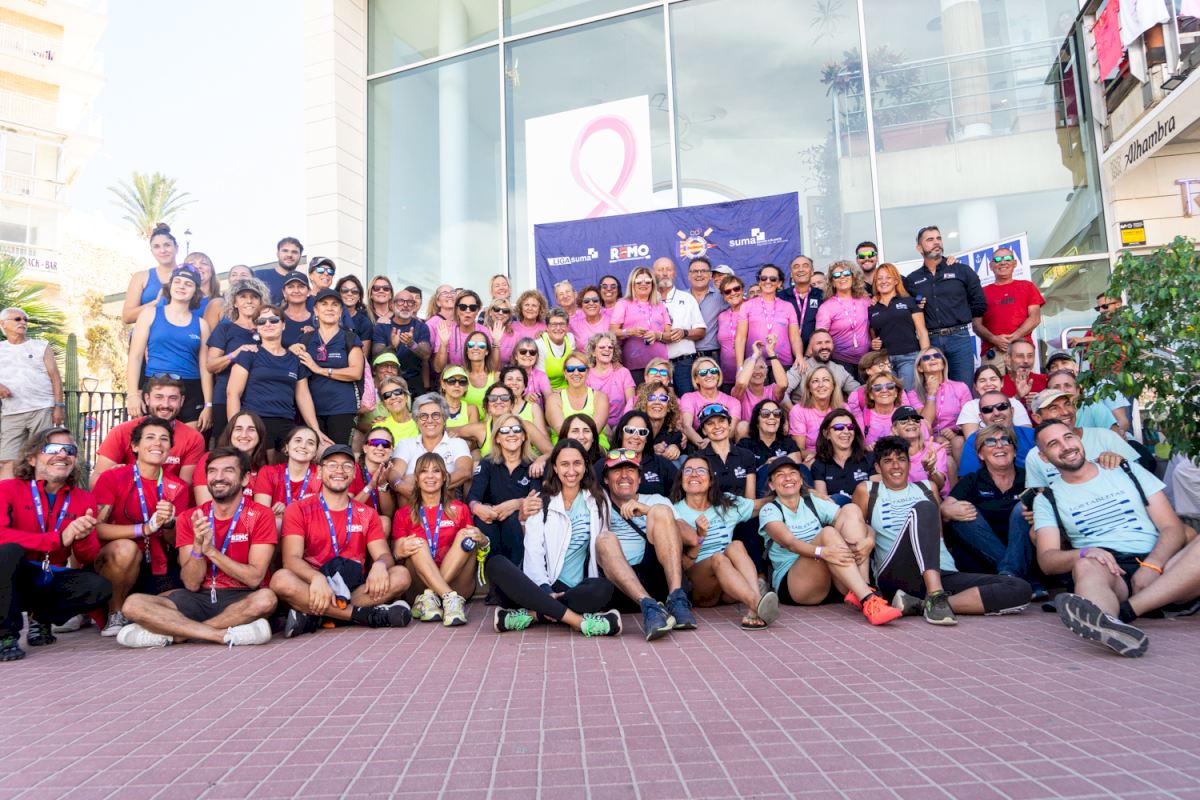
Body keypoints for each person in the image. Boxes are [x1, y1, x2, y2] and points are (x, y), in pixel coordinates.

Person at [1033, 420, 1200, 657]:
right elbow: (1047, 560)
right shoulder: (1047, 499)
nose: (1066, 446)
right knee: (1085, 565)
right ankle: (1107, 621)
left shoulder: (1127, 470)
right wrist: (1084, 552)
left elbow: (1171, 526)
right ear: (1044, 457)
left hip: (1164, 566)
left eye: (1068, 437)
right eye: (1053, 444)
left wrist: (1153, 565)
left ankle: (1124, 614)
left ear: (1078, 439)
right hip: (1110, 570)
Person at [852, 436, 1031, 625]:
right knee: (924, 508)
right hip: (897, 574)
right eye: (888, 461)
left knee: (1018, 587)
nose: (896, 466)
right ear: (878, 468)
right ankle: (936, 595)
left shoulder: (927, 488)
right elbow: (858, 529)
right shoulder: (868, 491)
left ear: (909, 464)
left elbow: (938, 536)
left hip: (942, 572)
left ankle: (923, 604)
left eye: (901, 459)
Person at [116, 447, 277, 648]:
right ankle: (218, 635)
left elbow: (254, 578)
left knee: (266, 599)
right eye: (212, 471)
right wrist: (198, 548)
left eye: (228, 470)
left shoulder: (261, 515)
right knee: (133, 604)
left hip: (240, 596)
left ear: (245, 479)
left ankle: (178, 635)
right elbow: (191, 583)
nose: (219, 477)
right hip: (198, 596)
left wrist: (211, 551)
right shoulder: (190, 517)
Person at [269, 445, 413, 636]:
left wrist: (380, 564)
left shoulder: (367, 513)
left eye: (346, 466)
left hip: (354, 587)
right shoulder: (298, 509)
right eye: (332, 465)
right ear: (319, 472)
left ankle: (317, 617)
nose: (339, 470)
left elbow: (384, 555)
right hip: (314, 584)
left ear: (353, 474)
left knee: (401, 575)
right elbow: (291, 559)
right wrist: (316, 578)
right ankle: (364, 615)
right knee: (280, 580)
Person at [488, 440, 623, 637]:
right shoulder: (541, 500)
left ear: (586, 466)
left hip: (576, 590)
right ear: (555, 468)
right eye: (564, 464)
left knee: (604, 588)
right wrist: (545, 590)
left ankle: (533, 615)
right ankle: (579, 622)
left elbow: (600, 550)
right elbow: (533, 551)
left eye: (577, 463)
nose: (571, 470)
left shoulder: (598, 500)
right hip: (538, 586)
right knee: (496, 564)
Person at [0, 428, 110, 661]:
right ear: (32, 458)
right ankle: (5, 635)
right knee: (9, 552)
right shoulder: (7, 489)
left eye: (69, 450)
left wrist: (83, 536)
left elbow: (88, 556)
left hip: (48, 575)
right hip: (12, 575)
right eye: (52, 449)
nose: (62, 454)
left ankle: (41, 619)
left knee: (97, 587)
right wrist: (58, 539)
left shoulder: (83, 498)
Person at [759, 457, 901, 625]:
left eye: (793, 473)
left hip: (832, 576)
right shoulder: (769, 510)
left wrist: (870, 540)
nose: (788, 478)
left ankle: (864, 588)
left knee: (851, 509)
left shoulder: (812, 502)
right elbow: (791, 543)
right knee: (828, 533)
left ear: (801, 479)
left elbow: (858, 523)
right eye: (780, 475)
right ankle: (868, 598)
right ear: (772, 485)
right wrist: (822, 552)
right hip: (796, 585)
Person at [92, 418, 191, 637]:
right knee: (126, 549)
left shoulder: (178, 487)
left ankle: (137, 616)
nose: (158, 443)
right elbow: (96, 529)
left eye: (164, 439)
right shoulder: (112, 477)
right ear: (135, 446)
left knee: (182, 605)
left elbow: (176, 541)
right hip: (114, 562)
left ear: (170, 448)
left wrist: (170, 523)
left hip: (157, 564)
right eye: (150, 437)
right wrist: (143, 529)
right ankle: (115, 612)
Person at [596, 449, 695, 640]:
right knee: (604, 539)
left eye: (630, 470)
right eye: (617, 470)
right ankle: (650, 607)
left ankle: (676, 599)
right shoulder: (597, 504)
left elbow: (691, 538)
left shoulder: (656, 500)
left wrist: (648, 510)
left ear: (639, 479)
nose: (624, 475)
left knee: (661, 511)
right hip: (620, 584)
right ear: (606, 479)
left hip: (657, 578)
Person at [672, 454, 777, 630]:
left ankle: (755, 605)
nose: (694, 474)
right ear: (681, 479)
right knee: (718, 558)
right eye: (688, 470)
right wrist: (699, 536)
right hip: (701, 588)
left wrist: (801, 492)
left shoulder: (725, 503)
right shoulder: (675, 512)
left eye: (701, 470)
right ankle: (758, 603)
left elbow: (761, 504)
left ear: (711, 480)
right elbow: (681, 565)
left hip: (730, 589)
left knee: (736, 545)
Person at [393, 453, 485, 626]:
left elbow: (474, 543)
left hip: (458, 583)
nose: (430, 476)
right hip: (419, 586)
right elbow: (397, 552)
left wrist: (483, 539)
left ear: (444, 477)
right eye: (424, 471)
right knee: (417, 543)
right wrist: (401, 549)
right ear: (416, 478)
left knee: (466, 535)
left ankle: (434, 597)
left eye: (436, 471)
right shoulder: (403, 514)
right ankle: (448, 598)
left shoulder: (460, 509)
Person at [225, 303, 328, 455]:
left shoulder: (295, 359)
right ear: (257, 327)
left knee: (318, 452)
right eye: (262, 321)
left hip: (286, 422)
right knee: (265, 462)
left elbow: (303, 396)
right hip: (256, 422)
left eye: (274, 320)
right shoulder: (249, 354)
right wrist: (235, 429)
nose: (268, 324)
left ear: (283, 325)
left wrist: (315, 429)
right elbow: (233, 393)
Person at [942, 425, 1036, 588]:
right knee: (963, 512)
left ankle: (1010, 574)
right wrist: (948, 510)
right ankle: (1014, 574)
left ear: (1014, 451)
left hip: (1025, 550)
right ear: (981, 454)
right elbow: (945, 507)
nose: (999, 446)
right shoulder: (973, 480)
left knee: (1021, 509)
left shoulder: (1029, 477)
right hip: (983, 557)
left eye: (1005, 441)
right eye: (990, 442)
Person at [125, 265, 213, 430]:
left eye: (188, 284)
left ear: (195, 291)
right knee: (153, 438)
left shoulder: (202, 325)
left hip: (191, 388)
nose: (182, 286)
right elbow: (135, 356)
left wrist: (209, 405)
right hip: (156, 384)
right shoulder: (149, 314)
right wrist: (132, 394)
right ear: (170, 286)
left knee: (189, 441)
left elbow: (205, 367)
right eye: (177, 281)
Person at [903, 226, 987, 386]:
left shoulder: (962, 270)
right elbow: (898, 298)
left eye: (938, 238)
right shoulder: (912, 279)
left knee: (964, 389)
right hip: (930, 341)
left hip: (959, 339)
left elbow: (979, 303)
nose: (936, 242)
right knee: (933, 389)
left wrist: (960, 315)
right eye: (930, 239)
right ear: (919, 248)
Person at [92, 377, 206, 486]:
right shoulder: (121, 431)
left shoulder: (193, 438)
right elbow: (95, 481)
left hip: (169, 498)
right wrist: (111, 479)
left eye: (173, 398)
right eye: (159, 397)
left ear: (182, 401)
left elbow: (184, 487)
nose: (165, 404)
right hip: (126, 495)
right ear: (147, 399)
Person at [467, 413, 542, 568]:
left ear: (523, 436)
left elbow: (535, 499)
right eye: (505, 430)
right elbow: (473, 496)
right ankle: (493, 576)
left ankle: (516, 573)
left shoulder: (533, 464)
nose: (511, 434)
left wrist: (516, 503)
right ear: (497, 438)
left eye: (516, 429)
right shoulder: (487, 463)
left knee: (513, 520)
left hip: (519, 523)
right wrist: (477, 507)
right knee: (483, 521)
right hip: (491, 519)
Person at [291, 288, 365, 446]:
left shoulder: (350, 338)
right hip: (311, 409)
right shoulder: (305, 339)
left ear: (340, 311)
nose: (329, 308)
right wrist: (291, 350)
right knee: (314, 454)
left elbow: (356, 372)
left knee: (339, 453)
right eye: (324, 304)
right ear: (316, 310)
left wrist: (319, 369)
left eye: (334, 304)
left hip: (342, 409)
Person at [1026, 390, 1141, 488]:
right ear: (1038, 418)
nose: (1065, 412)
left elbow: (1139, 476)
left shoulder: (1105, 436)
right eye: (1053, 408)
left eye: (1067, 404)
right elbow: (1041, 495)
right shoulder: (1035, 456)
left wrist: (1120, 461)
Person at [0, 306, 65, 479]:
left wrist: (59, 406)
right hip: (11, 412)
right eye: (17, 319)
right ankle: (7, 496)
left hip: (41, 409)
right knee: (7, 461)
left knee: (43, 457)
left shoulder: (41, 346)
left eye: (25, 319)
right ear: (3, 324)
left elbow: (55, 378)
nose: (23, 322)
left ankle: (40, 494)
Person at [206, 278, 268, 443]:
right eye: (243, 297)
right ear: (234, 303)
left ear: (261, 302)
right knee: (226, 446)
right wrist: (236, 353)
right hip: (224, 398)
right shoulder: (225, 328)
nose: (249, 301)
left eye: (254, 297)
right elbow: (211, 365)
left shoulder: (268, 328)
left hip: (258, 399)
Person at [390, 393, 474, 501]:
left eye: (435, 415)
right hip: (412, 498)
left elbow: (464, 471)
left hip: (446, 497)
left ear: (444, 419)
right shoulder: (405, 444)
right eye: (423, 416)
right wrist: (399, 484)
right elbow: (395, 473)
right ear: (417, 421)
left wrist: (430, 487)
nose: (430, 420)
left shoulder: (457, 443)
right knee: (407, 480)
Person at [976, 247, 1044, 371]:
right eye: (997, 260)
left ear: (1014, 263)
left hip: (1022, 350)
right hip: (993, 352)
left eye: (1007, 258)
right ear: (991, 266)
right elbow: (976, 325)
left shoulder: (1027, 286)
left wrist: (1014, 337)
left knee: (1024, 383)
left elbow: (1035, 318)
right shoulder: (981, 293)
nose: (1003, 262)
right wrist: (994, 339)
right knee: (991, 384)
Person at [867, 262, 929, 392]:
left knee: (908, 395)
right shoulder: (871, 309)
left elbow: (922, 331)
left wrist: (925, 358)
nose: (883, 281)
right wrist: (874, 343)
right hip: (884, 362)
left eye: (888, 277)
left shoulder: (909, 301)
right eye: (879, 278)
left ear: (896, 281)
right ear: (875, 283)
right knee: (891, 397)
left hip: (909, 357)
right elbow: (874, 337)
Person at [651, 257, 705, 396]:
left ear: (674, 273)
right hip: (656, 366)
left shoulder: (687, 298)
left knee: (687, 402)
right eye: (660, 270)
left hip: (683, 364)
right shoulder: (647, 301)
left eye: (668, 269)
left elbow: (701, 331)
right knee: (657, 402)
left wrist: (684, 333)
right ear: (653, 273)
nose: (664, 273)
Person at [193, 411, 270, 505]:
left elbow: (263, 508)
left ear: (260, 435)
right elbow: (205, 506)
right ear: (230, 433)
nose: (244, 435)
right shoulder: (212, 459)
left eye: (251, 429)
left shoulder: (263, 468)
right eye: (238, 429)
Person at [253, 425, 321, 530]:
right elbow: (261, 515)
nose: (303, 446)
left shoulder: (321, 474)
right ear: (287, 447)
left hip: (312, 529)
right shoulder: (268, 472)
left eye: (310, 443)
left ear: (315, 452)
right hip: (277, 530)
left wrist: (289, 512)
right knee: (277, 522)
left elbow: (324, 515)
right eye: (298, 440)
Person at [611, 266, 671, 384]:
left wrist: (657, 335)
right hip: (634, 364)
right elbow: (612, 332)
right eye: (639, 281)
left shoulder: (660, 305)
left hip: (660, 365)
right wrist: (630, 332)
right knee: (639, 395)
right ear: (632, 284)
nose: (643, 284)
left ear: (652, 284)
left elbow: (669, 336)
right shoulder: (623, 304)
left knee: (661, 394)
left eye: (647, 281)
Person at [736, 263, 801, 371]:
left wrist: (799, 356)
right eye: (764, 278)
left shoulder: (788, 306)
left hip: (783, 363)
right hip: (754, 363)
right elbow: (740, 338)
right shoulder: (747, 306)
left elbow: (795, 337)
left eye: (773, 279)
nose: (768, 281)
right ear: (759, 282)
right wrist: (739, 368)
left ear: (779, 283)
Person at [957, 391, 1036, 477]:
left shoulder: (1033, 435)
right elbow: (968, 479)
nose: (996, 413)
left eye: (1002, 407)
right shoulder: (974, 440)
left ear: (1012, 411)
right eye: (987, 410)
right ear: (981, 417)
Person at [372, 285, 431, 396]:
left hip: (413, 382)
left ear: (414, 306)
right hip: (387, 381)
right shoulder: (382, 326)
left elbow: (426, 355)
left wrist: (411, 344)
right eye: (401, 302)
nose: (405, 305)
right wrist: (392, 347)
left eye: (410, 302)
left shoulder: (421, 327)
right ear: (392, 305)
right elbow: (376, 356)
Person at [603, 410, 678, 497]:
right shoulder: (604, 464)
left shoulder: (661, 465)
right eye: (630, 430)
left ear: (647, 438)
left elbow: (679, 494)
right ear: (621, 434)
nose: (636, 436)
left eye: (642, 432)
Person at [914, 346, 970, 460]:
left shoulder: (960, 387)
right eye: (926, 358)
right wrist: (931, 394)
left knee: (958, 442)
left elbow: (969, 419)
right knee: (947, 460)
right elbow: (925, 424)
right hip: (929, 441)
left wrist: (954, 433)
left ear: (943, 363)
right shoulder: (914, 394)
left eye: (937, 356)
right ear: (920, 368)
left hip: (956, 437)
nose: (932, 359)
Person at [121, 223, 185, 323]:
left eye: (167, 245)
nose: (162, 250)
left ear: (177, 248)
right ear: (152, 251)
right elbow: (127, 317)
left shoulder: (189, 277)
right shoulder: (140, 277)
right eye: (156, 247)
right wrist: (156, 303)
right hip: (146, 332)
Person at [815, 261, 871, 373]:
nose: (842, 277)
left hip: (866, 360)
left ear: (853, 277)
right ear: (832, 282)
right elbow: (820, 337)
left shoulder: (866, 300)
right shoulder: (826, 307)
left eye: (846, 273)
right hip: (840, 361)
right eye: (836, 275)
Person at [811, 410, 874, 506]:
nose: (846, 431)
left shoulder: (869, 458)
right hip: (836, 512)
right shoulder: (819, 464)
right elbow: (824, 503)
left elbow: (876, 496)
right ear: (826, 434)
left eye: (850, 427)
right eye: (839, 427)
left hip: (866, 511)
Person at [546, 353, 610, 447]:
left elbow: (595, 429)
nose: (576, 373)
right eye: (570, 369)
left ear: (587, 372)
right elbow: (561, 430)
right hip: (564, 447)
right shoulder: (554, 399)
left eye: (581, 369)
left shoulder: (600, 397)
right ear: (565, 373)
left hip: (594, 447)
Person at [784, 329, 861, 403]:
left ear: (833, 345)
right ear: (811, 348)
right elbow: (782, 391)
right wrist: (792, 410)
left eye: (827, 342)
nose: (824, 346)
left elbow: (858, 392)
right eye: (819, 343)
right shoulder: (801, 366)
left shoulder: (839, 369)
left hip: (833, 411)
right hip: (802, 409)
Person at [680, 357, 741, 450]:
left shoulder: (733, 401)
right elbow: (686, 426)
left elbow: (731, 430)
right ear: (696, 379)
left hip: (725, 446)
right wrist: (705, 446)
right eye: (703, 372)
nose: (709, 375)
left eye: (713, 371)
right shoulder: (688, 398)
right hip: (700, 446)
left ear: (718, 375)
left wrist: (713, 443)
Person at [788, 366, 845, 465]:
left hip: (841, 458)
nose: (821, 385)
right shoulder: (798, 411)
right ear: (809, 388)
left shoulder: (843, 408)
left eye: (826, 380)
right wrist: (820, 455)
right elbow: (799, 451)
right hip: (814, 459)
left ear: (833, 386)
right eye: (815, 381)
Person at [958, 365, 1034, 436]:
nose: (988, 384)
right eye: (982, 381)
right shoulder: (970, 406)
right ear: (975, 386)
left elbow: (1026, 435)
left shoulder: (1015, 403)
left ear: (1002, 383)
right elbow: (972, 439)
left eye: (993, 379)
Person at [583, 332, 635, 436]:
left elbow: (631, 402)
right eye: (602, 347)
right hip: (596, 423)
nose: (607, 349)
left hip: (621, 424)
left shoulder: (623, 372)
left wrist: (622, 425)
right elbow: (586, 407)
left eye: (610, 347)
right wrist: (602, 425)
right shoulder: (586, 375)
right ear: (593, 352)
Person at [890, 405, 950, 495]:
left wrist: (931, 470)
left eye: (916, 420)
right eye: (904, 421)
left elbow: (940, 486)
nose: (911, 423)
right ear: (894, 429)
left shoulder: (934, 449)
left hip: (933, 498)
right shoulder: (890, 454)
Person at [350, 426, 397, 534]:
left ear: (392, 451)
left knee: (385, 521)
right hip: (351, 523)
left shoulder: (390, 473)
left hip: (375, 526)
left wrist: (382, 484)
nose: (380, 447)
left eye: (386, 444)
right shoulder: (352, 470)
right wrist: (370, 486)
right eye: (375, 443)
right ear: (365, 448)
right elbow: (347, 509)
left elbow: (388, 514)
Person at [732, 338, 787, 429]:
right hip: (749, 434)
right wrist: (755, 355)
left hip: (770, 431)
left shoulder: (772, 390)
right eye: (753, 367)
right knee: (743, 427)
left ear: (766, 373)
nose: (757, 371)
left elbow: (783, 384)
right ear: (746, 372)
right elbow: (741, 383)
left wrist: (771, 352)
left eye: (761, 367)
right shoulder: (741, 393)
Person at [432, 290, 491, 373]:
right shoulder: (446, 330)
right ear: (457, 310)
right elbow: (438, 368)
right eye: (463, 307)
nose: (467, 311)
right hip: (454, 379)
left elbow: (491, 366)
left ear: (477, 310)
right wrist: (444, 345)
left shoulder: (485, 332)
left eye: (472, 308)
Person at [738, 399, 802, 476]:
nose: (772, 417)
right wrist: (764, 468)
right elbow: (739, 475)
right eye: (765, 413)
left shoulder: (788, 442)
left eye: (776, 413)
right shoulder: (745, 445)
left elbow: (797, 472)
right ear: (757, 421)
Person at [781, 255, 823, 353]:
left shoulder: (823, 296)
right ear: (791, 274)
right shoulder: (780, 297)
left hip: (815, 353)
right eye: (796, 266)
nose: (801, 269)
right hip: (786, 354)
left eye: (805, 266)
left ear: (812, 272)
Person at [687, 257, 727, 361]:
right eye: (695, 271)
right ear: (689, 276)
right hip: (685, 358)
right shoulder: (680, 297)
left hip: (713, 356)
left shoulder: (721, 296)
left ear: (710, 276)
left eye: (703, 271)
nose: (699, 274)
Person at [855, 370, 907, 448]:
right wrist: (866, 449)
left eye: (890, 386)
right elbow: (857, 449)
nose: (884, 390)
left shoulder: (906, 415)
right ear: (871, 395)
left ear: (896, 393)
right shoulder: (861, 419)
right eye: (877, 387)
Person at [636, 382, 684, 463]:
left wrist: (675, 448)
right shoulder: (634, 429)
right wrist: (651, 450)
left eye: (663, 398)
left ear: (669, 406)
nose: (657, 402)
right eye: (651, 397)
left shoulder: (674, 434)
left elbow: (682, 447)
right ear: (644, 404)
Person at [715, 273, 747, 384]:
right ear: (723, 296)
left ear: (742, 290)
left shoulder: (752, 309)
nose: (733, 293)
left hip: (750, 374)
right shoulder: (721, 316)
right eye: (727, 291)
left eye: (736, 289)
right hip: (727, 376)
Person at [252, 236, 304, 305]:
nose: (289, 255)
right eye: (285, 251)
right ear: (277, 254)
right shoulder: (259, 276)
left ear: (300, 256)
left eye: (294, 252)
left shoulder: (302, 280)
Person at [999, 340, 1047, 414]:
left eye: (1030, 356)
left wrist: (1043, 402)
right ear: (1008, 358)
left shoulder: (1045, 380)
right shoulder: (998, 384)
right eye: (1020, 356)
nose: (1026, 361)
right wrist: (1017, 397)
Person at [335, 274, 375, 358]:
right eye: (345, 290)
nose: (349, 293)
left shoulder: (364, 322)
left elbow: (363, 357)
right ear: (338, 293)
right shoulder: (329, 316)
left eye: (355, 291)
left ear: (359, 296)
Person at [182, 251, 224, 331]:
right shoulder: (176, 298)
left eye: (204, 263)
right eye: (192, 264)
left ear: (211, 271)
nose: (198, 266)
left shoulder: (223, 301)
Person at [461, 331, 498, 415]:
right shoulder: (459, 375)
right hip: (464, 422)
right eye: (471, 345)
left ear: (487, 351)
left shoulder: (496, 377)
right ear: (467, 351)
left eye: (481, 345)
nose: (475, 348)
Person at [373, 376, 418, 444]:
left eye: (397, 392)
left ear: (406, 396)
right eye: (387, 395)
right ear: (384, 404)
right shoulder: (380, 427)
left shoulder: (422, 420)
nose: (393, 397)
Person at [509, 337, 552, 406]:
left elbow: (549, 398)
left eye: (532, 352)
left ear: (536, 357)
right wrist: (523, 399)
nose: (528, 355)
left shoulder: (541, 376)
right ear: (516, 356)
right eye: (523, 352)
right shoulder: (508, 375)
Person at [439, 365, 480, 435]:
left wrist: (447, 431)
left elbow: (474, 436)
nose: (457, 385)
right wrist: (464, 432)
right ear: (443, 384)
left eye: (462, 381)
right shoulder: (434, 407)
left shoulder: (471, 409)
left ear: (466, 386)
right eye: (451, 381)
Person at [279, 271, 316, 348]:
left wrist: (315, 334)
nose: (296, 291)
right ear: (284, 292)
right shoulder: (276, 319)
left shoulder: (318, 320)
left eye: (301, 286)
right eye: (290, 287)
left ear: (309, 291)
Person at [485, 298, 518, 365]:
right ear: (490, 312)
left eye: (505, 311)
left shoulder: (515, 336)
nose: (500, 313)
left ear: (509, 315)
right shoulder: (482, 332)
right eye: (496, 309)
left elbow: (516, 363)